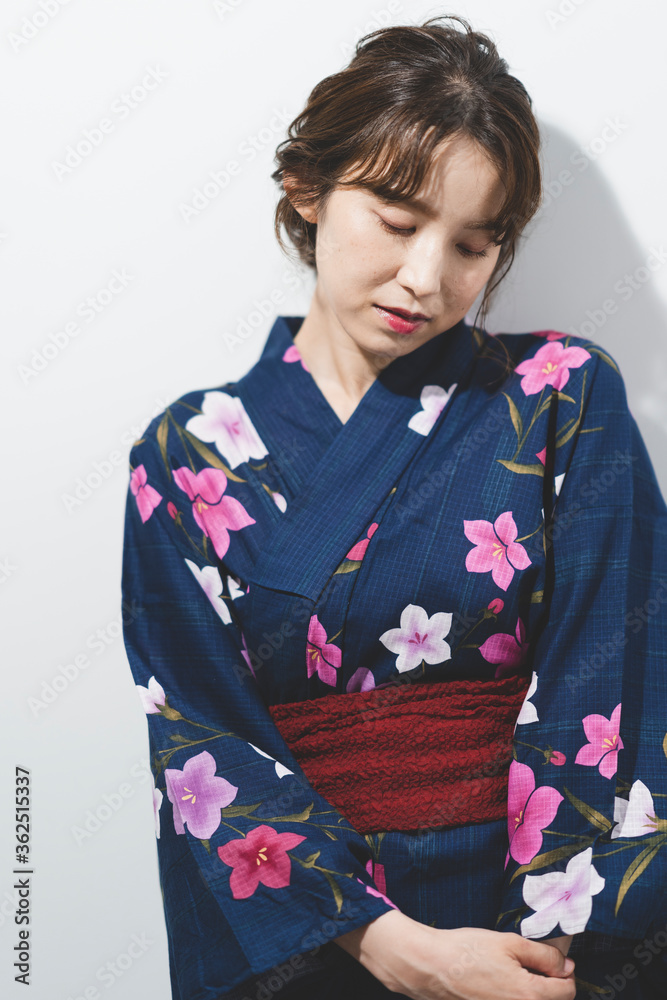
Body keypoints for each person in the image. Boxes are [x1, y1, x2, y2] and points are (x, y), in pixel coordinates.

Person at [120, 14, 667, 1000]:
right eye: (397, 220)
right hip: (309, 941)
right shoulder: (185, 456)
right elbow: (199, 739)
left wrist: (540, 954)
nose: (426, 278)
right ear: (308, 187)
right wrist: (390, 944)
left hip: (532, 933)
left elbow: (615, 682)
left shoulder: (558, 396)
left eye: (471, 244)